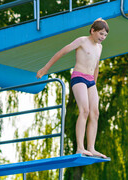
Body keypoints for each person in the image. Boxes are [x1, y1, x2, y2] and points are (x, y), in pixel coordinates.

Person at [36, 18, 109, 158]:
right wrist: (45, 69)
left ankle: (91, 148)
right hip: (79, 77)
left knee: (95, 113)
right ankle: (80, 148)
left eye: (105, 35)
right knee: (85, 110)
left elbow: (96, 65)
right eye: (100, 34)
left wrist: (94, 84)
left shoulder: (100, 47)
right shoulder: (82, 41)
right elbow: (61, 53)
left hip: (90, 81)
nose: (102, 37)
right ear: (92, 31)